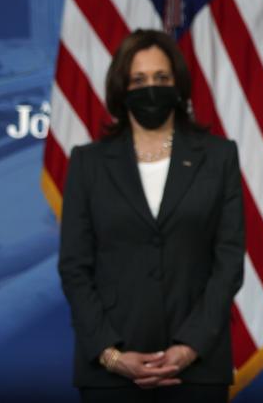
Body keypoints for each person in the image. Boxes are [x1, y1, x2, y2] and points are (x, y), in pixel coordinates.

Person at [58, 29, 244, 403]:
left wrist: (190, 347)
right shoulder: (87, 162)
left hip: (198, 367)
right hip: (110, 370)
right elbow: (75, 267)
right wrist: (110, 355)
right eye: (138, 80)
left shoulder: (219, 156)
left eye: (161, 78)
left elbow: (229, 261)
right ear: (120, 88)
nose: (151, 88)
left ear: (178, 84)